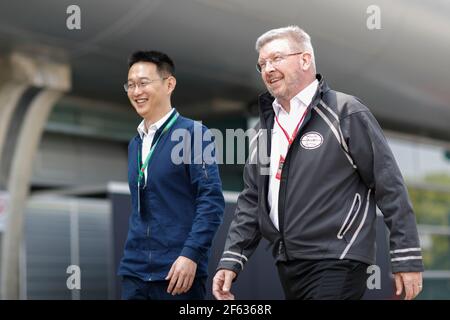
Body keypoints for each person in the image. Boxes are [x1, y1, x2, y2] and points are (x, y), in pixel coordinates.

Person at [213, 26, 424, 300]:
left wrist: (406, 257)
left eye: (276, 58)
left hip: (339, 256)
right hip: (288, 262)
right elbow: (252, 202)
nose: (267, 69)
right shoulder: (262, 132)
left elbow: (389, 185)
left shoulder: (345, 112)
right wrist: (231, 259)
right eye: (262, 64)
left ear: (305, 59)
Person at [118, 50, 224, 300]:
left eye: (143, 83)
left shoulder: (193, 134)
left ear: (169, 84)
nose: (136, 92)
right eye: (130, 85)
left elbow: (211, 202)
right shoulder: (135, 143)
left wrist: (190, 255)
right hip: (134, 274)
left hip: (177, 275)